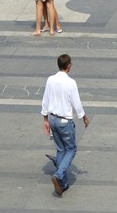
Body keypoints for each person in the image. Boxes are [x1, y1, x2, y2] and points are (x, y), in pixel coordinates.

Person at [41, 52, 89, 199]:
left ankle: (63, 183)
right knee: (71, 149)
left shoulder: (50, 80)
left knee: (60, 149)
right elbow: (76, 102)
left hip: (53, 119)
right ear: (69, 66)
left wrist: (45, 119)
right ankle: (59, 174)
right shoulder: (70, 83)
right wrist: (83, 117)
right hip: (64, 121)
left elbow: (45, 99)